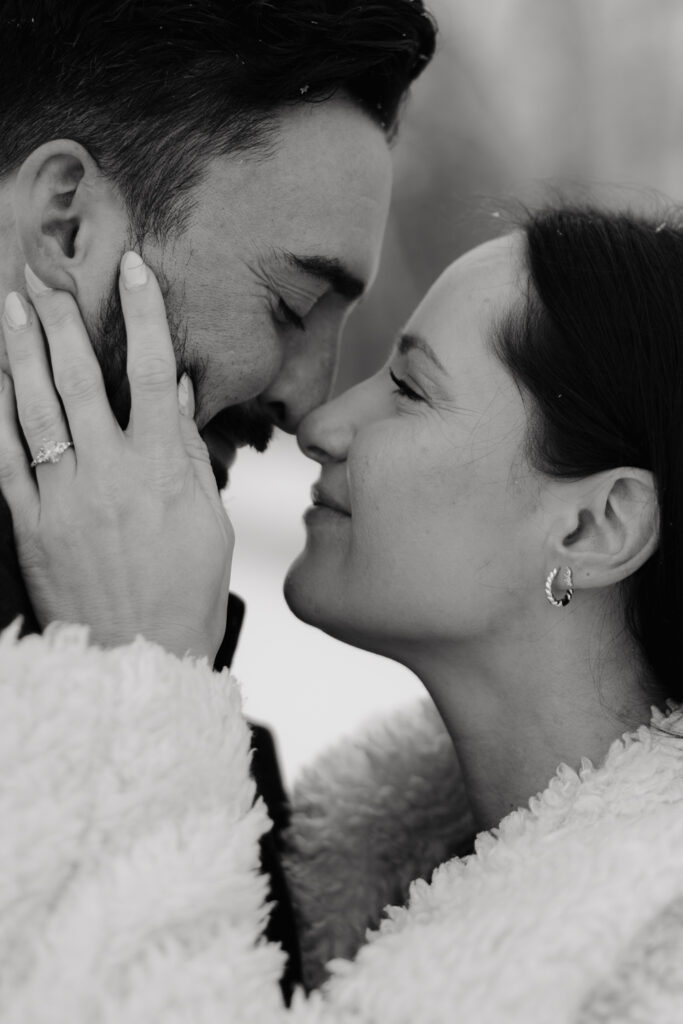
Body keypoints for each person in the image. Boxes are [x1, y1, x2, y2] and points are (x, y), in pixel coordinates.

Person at [3, 202, 683, 1022]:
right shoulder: (348, 890)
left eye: (408, 389)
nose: (321, 426)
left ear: (593, 525)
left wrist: (143, 676)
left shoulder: (648, 961)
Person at [0, 0, 436, 1000]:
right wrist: (142, 674)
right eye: (288, 304)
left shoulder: (148, 625)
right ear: (66, 220)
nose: (305, 398)